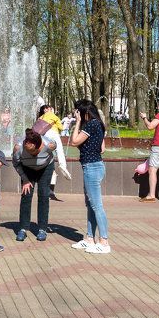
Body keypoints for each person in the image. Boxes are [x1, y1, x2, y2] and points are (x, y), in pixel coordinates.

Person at [66, 99, 110, 253]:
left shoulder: (91, 125)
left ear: (83, 113)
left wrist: (77, 123)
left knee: (97, 206)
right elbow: (102, 149)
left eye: (77, 112)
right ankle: (90, 239)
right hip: (95, 166)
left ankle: (104, 242)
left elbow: (74, 141)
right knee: (91, 205)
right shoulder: (98, 125)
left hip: (91, 167)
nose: (75, 115)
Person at [12, 128, 58, 241]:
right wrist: (25, 179)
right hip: (27, 169)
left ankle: (42, 229)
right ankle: (23, 229)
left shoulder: (49, 144)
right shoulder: (18, 148)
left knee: (43, 195)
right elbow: (16, 163)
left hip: (45, 167)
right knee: (26, 196)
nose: (32, 155)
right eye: (29, 153)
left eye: (34, 153)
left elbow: (59, 148)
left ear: (40, 147)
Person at [37, 104, 72, 200]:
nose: (50, 109)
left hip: (44, 137)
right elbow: (61, 127)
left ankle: (47, 191)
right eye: (48, 108)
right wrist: (56, 124)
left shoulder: (40, 118)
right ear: (45, 110)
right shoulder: (52, 115)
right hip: (54, 134)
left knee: (48, 157)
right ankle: (63, 166)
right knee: (59, 150)